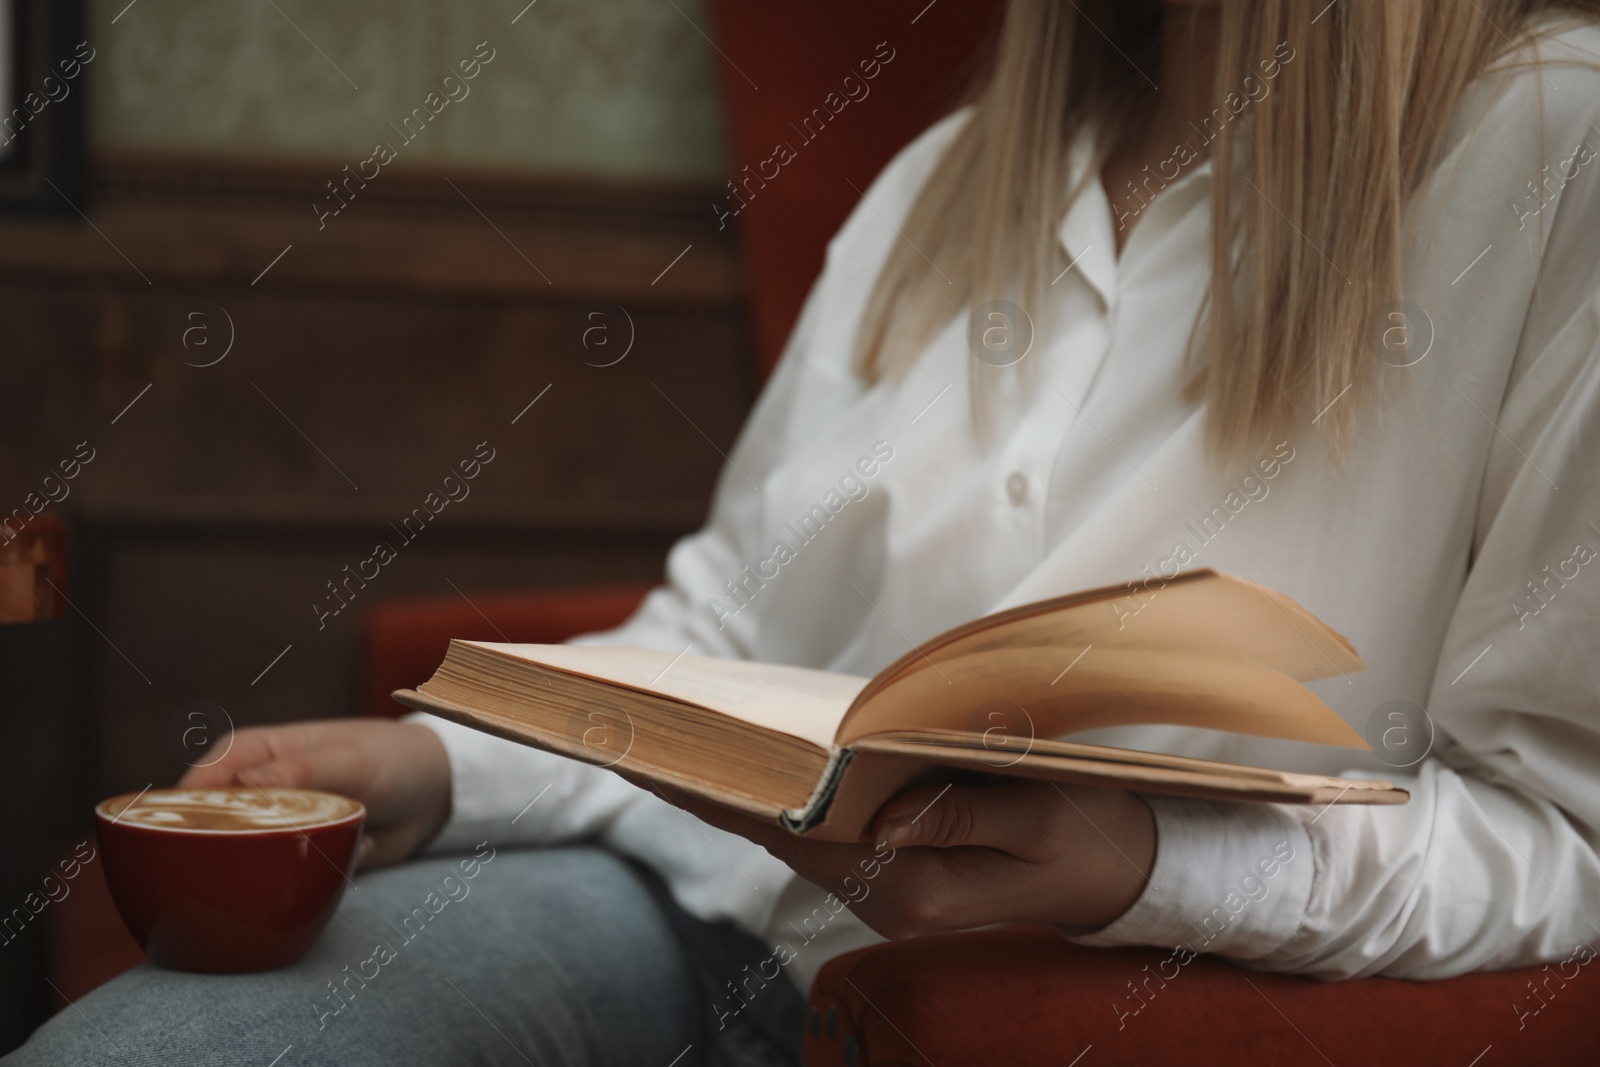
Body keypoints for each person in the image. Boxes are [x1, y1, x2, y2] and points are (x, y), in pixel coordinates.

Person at [14, 0, 1600, 1063]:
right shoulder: (945, 183)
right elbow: (728, 640)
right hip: (715, 918)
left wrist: (1146, 869)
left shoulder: (1556, 148)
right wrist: (443, 766)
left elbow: (1564, 841)